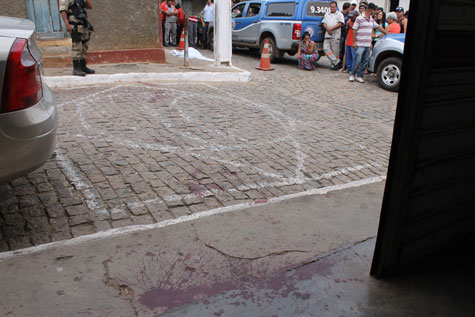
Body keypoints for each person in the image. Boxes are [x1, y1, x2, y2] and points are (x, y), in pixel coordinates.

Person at [349, 2, 387, 83]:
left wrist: (385, 32)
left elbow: (378, 26)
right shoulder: (359, 18)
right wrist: (354, 42)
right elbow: (354, 30)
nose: (374, 12)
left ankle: (360, 76)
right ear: (371, 10)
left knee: (365, 61)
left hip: (367, 44)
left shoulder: (371, 19)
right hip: (360, 43)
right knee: (357, 60)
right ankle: (352, 74)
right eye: (374, 10)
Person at [59, 0, 95, 76]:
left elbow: (89, 6)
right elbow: (63, 11)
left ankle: (83, 66)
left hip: (83, 24)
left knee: (84, 46)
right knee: (77, 46)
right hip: (74, 25)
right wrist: (67, 24)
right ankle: (76, 68)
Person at [322, 1, 345, 70]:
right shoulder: (327, 14)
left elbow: (341, 23)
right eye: (331, 7)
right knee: (325, 48)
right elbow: (323, 22)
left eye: (333, 7)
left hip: (336, 34)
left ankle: (334, 65)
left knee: (335, 51)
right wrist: (327, 28)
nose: (332, 8)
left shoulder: (339, 14)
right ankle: (337, 62)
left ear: (336, 7)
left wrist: (332, 28)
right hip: (328, 34)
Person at [339, 2, 351, 71]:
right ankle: (340, 63)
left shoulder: (348, 15)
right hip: (341, 33)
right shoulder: (340, 14)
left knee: (344, 50)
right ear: (347, 8)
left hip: (345, 34)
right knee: (341, 50)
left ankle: (345, 64)